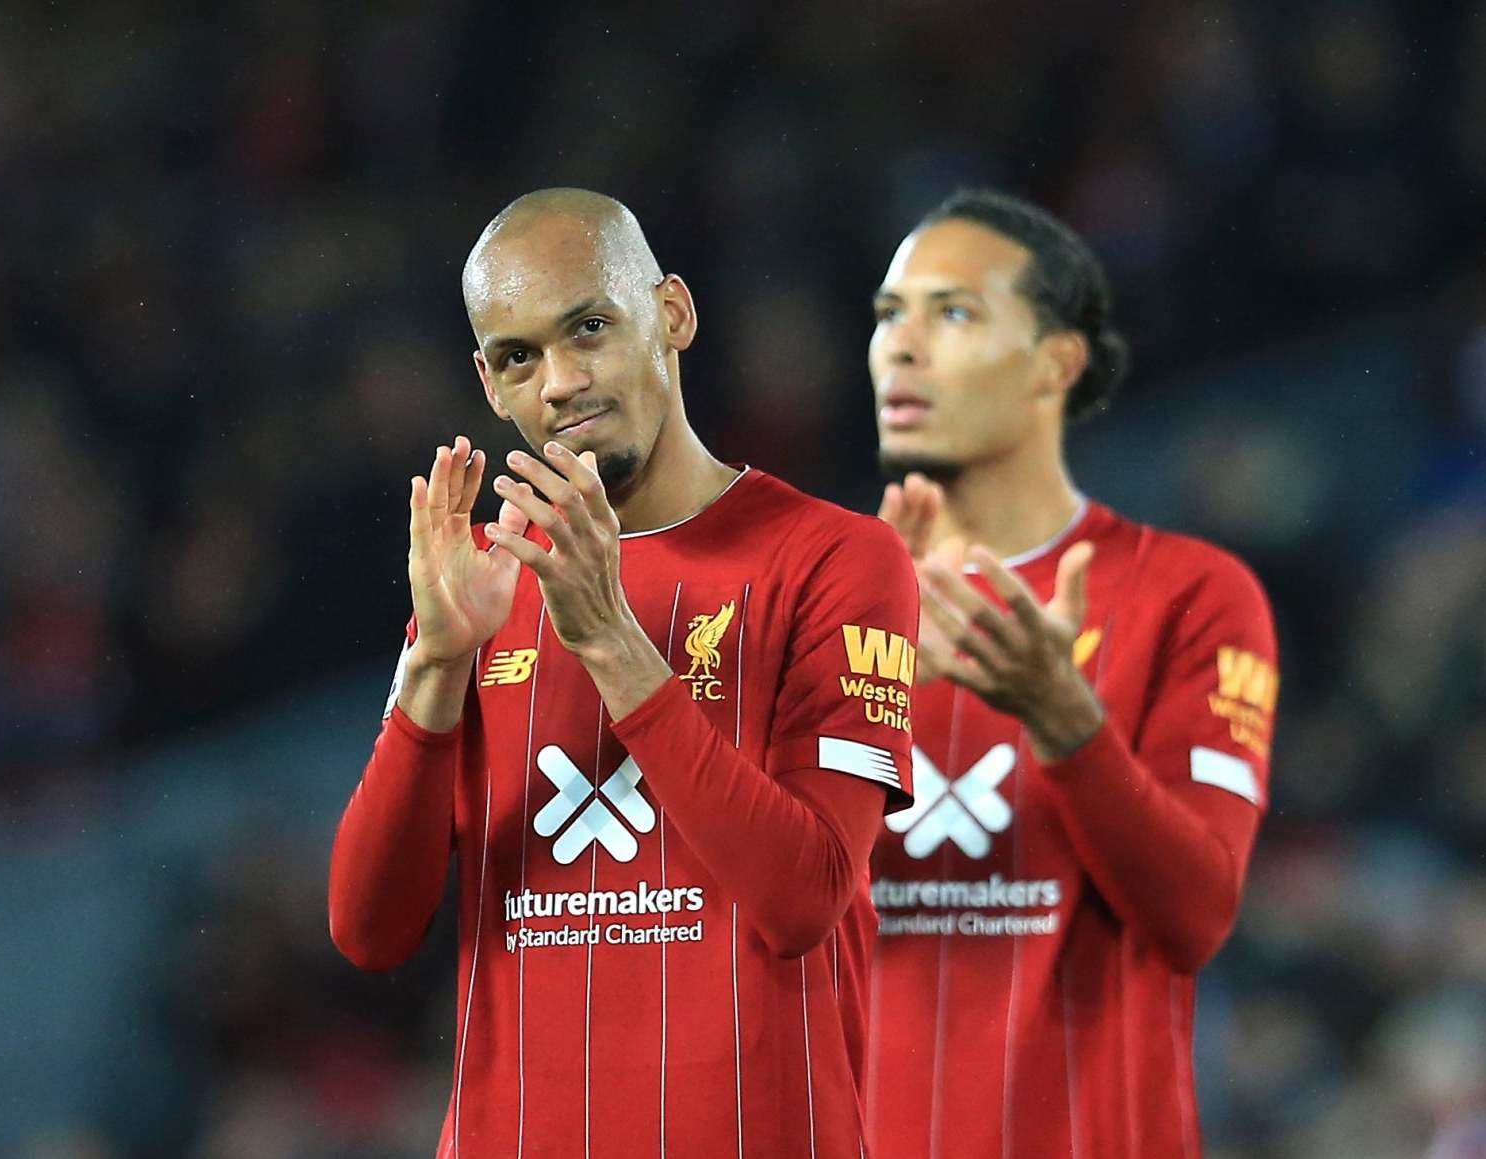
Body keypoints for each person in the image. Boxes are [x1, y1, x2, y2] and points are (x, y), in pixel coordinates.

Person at [327, 188, 919, 1158]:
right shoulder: (480, 578)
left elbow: (805, 896)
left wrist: (607, 638)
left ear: (673, 315)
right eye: (519, 357)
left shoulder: (835, 561)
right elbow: (369, 930)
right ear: (488, 383)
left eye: (590, 328)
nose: (559, 381)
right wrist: (435, 658)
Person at [864, 189, 1279, 1158]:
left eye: (952, 311)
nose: (901, 347)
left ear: (1056, 362)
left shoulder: (1189, 595)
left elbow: (1193, 915)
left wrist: (1065, 720)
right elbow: (750, 922)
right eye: (889, 315)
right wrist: (852, 693)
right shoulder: (826, 603)